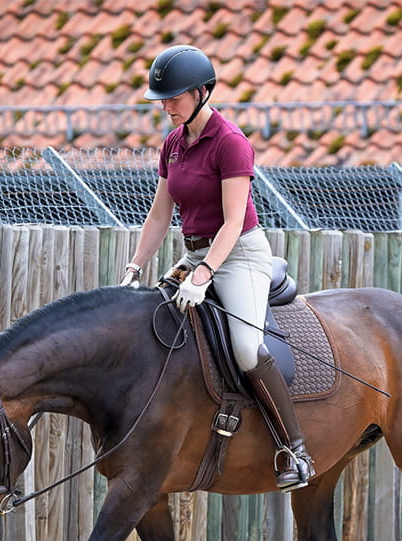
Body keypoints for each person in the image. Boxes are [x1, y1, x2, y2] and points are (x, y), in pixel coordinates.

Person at [119, 45, 314, 491]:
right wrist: (135, 266)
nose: (166, 106)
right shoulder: (173, 143)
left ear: (203, 92)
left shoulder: (231, 143)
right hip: (193, 252)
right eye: (162, 99)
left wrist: (205, 274)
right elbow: (158, 216)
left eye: (174, 98)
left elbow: (232, 222)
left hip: (239, 254)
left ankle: (295, 451)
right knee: (152, 321)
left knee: (247, 348)